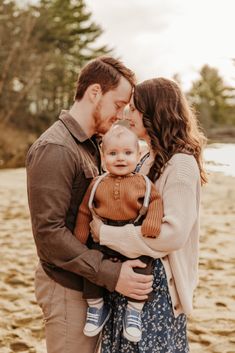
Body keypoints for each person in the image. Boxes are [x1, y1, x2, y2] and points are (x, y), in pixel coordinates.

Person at [26, 56, 154, 353]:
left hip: (87, 283)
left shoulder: (91, 144)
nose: (121, 114)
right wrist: (111, 274)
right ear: (95, 92)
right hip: (67, 288)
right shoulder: (56, 148)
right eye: (118, 104)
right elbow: (49, 235)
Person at [90, 77, 207, 353]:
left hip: (155, 290)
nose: (129, 114)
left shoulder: (180, 164)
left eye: (136, 108)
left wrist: (105, 234)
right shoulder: (147, 157)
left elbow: (171, 235)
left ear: (156, 111)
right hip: (131, 279)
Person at [74, 124, 163, 342]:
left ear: (138, 154)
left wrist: (151, 222)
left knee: (144, 265)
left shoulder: (144, 183)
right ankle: (96, 307)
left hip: (132, 234)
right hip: (102, 235)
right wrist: (80, 234)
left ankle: (134, 312)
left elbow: (156, 201)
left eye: (127, 153)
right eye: (113, 153)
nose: (120, 158)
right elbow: (85, 209)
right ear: (103, 157)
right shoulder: (97, 183)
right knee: (91, 264)